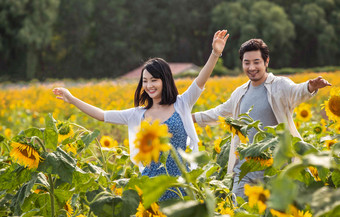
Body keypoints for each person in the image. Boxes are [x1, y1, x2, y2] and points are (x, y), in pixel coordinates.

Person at [53, 30, 229, 201]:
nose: (149, 85)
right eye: (145, 81)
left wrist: (214, 53)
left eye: (154, 80)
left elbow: (201, 80)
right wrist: (72, 99)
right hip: (150, 188)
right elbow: (102, 115)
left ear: (165, 80)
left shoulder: (182, 103)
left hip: (180, 187)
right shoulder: (137, 114)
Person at [192, 38, 331, 199]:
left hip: (275, 168)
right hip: (244, 169)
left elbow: (297, 91)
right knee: (239, 214)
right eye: (247, 63)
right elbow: (219, 112)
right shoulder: (239, 93)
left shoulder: (279, 85)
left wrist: (311, 86)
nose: (251, 67)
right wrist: (190, 118)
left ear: (266, 62)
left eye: (256, 62)